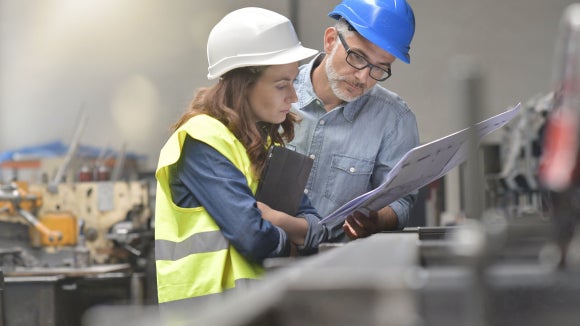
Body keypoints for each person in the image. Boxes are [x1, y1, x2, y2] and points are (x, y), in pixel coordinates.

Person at [154, 7, 325, 316]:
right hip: (208, 316)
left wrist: (276, 219)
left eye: (293, 81)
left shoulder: (262, 142)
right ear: (243, 84)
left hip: (255, 311)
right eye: (281, 84)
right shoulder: (201, 141)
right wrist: (294, 238)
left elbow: (316, 226)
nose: (294, 97)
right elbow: (254, 238)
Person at [289, 0, 420, 241]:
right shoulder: (277, 93)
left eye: (380, 69)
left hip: (339, 270)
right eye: (357, 57)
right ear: (330, 41)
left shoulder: (395, 120)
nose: (363, 77)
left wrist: (377, 219)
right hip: (260, 265)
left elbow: (401, 201)